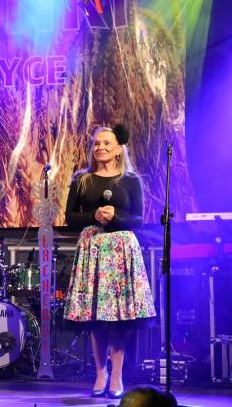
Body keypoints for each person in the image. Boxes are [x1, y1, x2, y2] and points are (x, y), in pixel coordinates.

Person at [63, 124, 156, 399]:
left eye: (106, 143)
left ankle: (117, 375)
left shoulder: (130, 180)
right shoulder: (82, 179)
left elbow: (138, 219)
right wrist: (93, 217)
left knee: (118, 318)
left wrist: (115, 217)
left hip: (120, 251)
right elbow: (70, 218)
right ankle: (100, 372)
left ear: (118, 149)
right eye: (97, 143)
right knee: (96, 317)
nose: (100, 147)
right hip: (93, 250)